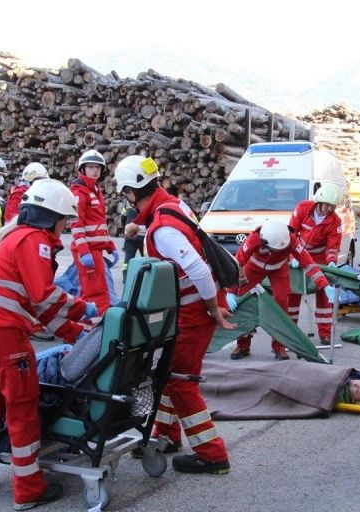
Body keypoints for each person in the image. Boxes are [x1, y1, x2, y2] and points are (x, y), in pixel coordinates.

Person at [0, 179, 98, 510]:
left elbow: (40, 309)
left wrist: (77, 333)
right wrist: (83, 307)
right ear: (53, 217)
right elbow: (44, 296)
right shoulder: (36, 240)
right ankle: (29, 489)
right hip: (3, 333)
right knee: (23, 406)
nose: (65, 228)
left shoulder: (16, 238)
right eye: (65, 221)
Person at [117, 155, 235, 475]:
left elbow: (194, 266)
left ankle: (212, 455)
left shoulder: (161, 229)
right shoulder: (171, 205)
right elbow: (182, 237)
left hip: (194, 311)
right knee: (167, 372)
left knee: (182, 380)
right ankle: (167, 436)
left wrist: (212, 308)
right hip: (194, 306)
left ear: (130, 192)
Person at [227, 219, 331, 361]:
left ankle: (279, 346)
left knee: (282, 305)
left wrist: (324, 285)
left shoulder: (290, 239)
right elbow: (237, 264)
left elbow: (308, 263)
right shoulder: (254, 239)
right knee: (244, 303)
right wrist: (231, 292)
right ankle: (243, 345)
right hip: (253, 268)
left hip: (279, 270)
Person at [288, 183, 343, 345]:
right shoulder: (303, 209)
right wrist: (293, 256)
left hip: (319, 259)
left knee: (324, 295)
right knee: (293, 292)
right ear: (319, 202)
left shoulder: (335, 222)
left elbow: (332, 246)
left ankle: (325, 333)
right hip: (297, 253)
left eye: (333, 206)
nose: (329, 209)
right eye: (327, 205)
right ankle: (291, 331)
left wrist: (331, 262)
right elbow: (291, 233)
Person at [69, 149, 118, 315]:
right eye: (90, 167)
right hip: (88, 250)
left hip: (95, 249)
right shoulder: (79, 191)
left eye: (97, 167)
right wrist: (84, 252)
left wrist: (110, 245)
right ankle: (98, 332)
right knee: (97, 293)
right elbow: (76, 224)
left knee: (88, 292)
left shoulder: (95, 190)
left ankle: (83, 327)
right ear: (82, 169)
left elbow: (100, 223)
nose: (95, 170)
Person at [119, 202, 144, 283]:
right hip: (143, 235)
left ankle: (126, 278)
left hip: (129, 235)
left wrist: (126, 227)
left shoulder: (127, 202)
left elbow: (123, 217)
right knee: (146, 258)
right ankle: (147, 278)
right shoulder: (147, 201)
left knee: (128, 259)